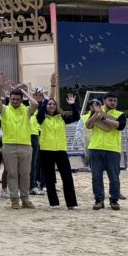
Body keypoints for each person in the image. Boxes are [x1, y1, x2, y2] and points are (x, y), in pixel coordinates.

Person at [0, 74, 39, 209]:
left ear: (21, 100)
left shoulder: (26, 110)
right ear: (10, 99)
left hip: (25, 146)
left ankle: (25, 199)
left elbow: (36, 104)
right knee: (12, 174)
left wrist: (24, 91)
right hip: (8, 145)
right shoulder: (5, 110)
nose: (15, 101)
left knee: (25, 174)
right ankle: (15, 199)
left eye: (17, 99)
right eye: (13, 99)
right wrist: (0, 86)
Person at [37, 73, 79, 209]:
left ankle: (72, 203)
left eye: (53, 104)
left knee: (67, 178)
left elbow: (76, 117)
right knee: (49, 178)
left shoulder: (61, 118)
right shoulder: (42, 118)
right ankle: (54, 203)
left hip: (61, 151)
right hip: (46, 151)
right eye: (49, 104)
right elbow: (42, 109)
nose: (51, 106)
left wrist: (72, 105)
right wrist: (52, 88)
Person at [84, 92, 126, 210]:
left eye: (115, 101)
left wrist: (103, 118)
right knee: (96, 176)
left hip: (112, 149)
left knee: (114, 177)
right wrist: (96, 113)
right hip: (95, 148)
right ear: (104, 101)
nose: (113, 102)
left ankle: (114, 200)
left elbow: (120, 125)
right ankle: (99, 200)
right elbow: (88, 125)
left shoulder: (120, 114)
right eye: (110, 100)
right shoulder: (95, 111)